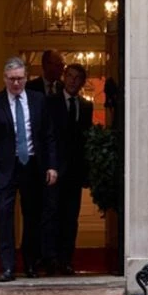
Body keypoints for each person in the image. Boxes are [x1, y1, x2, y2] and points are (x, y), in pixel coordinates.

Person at [0, 56, 58, 282]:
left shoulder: (38, 100)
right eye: (12, 79)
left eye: (20, 79)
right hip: (5, 167)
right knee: (5, 217)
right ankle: (8, 267)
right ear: (5, 78)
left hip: (32, 165)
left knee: (32, 217)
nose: (16, 83)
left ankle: (30, 264)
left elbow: (48, 135)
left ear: (26, 78)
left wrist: (52, 165)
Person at [26, 49, 67, 273]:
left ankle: (52, 257)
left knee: (54, 211)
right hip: (32, 162)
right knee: (33, 213)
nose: (61, 69)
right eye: (57, 64)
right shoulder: (30, 88)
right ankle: (34, 258)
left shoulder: (63, 91)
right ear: (45, 65)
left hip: (56, 162)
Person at [54, 62, 93, 274]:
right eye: (69, 76)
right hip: (54, 172)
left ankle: (67, 260)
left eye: (77, 78)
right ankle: (51, 260)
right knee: (52, 216)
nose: (72, 81)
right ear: (64, 77)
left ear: (82, 82)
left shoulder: (86, 106)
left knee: (71, 218)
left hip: (75, 173)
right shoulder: (51, 103)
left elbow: (85, 140)